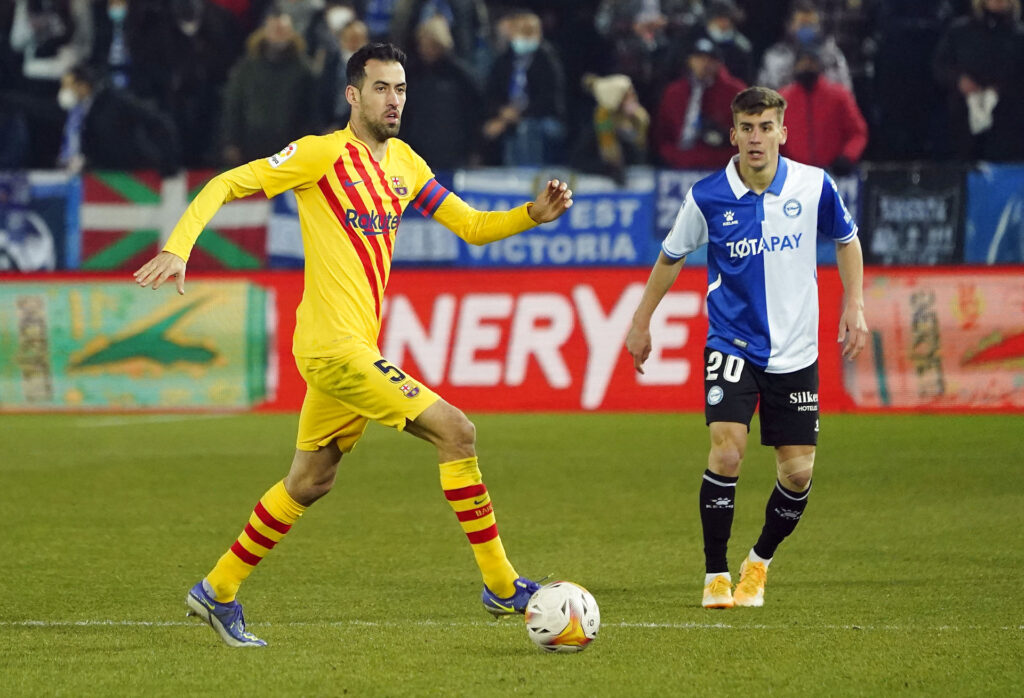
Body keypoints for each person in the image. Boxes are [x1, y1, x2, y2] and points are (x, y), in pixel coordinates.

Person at [132, 42, 573, 648]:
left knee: (310, 480)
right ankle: (502, 586)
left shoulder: (406, 164)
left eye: (401, 89)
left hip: (351, 347)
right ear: (353, 95)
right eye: (382, 89)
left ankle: (217, 590)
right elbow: (226, 183)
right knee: (458, 432)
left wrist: (530, 214)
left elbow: (472, 227)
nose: (394, 100)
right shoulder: (321, 155)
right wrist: (179, 245)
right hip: (333, 347)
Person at [626, 86, 867, 609]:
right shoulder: (707, 196)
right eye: (747, 128)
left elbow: (846, 240)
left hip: (797, 352)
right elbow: (671, 256)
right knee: (728, 450)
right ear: (732, 134)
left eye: (766, 127)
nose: (756, 138)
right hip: (732, 342)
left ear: (783, 132)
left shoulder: (814, 185)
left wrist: (855, 304)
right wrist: (641, 321)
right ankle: (715, 573)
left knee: (797, 474)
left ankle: (758, 563)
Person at [653, 36, 746, 170]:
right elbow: (662, 134)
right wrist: (674, 156)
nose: (704, 64)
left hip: (721, 167)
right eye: (698, 58)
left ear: (719, 63)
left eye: (710, 59)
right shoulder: (674, 92)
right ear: (689, 61)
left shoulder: (736, 93)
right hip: (677, 167)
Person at [778, 45, 867, 175]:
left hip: (833, 173)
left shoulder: (839, 96)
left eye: (811, 62)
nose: (807, 66)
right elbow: (772, 140)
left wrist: (848, 156)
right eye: (802, 63)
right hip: (794, 176)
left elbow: (858, 132)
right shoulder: (782, 100)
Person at [757, 0, 852, 91]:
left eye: (811, 25)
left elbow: (845, 92)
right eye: (802, 24)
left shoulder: (832, 56)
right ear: (789, 25)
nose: (807, 29)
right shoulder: (775, 56)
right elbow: (764, 95)